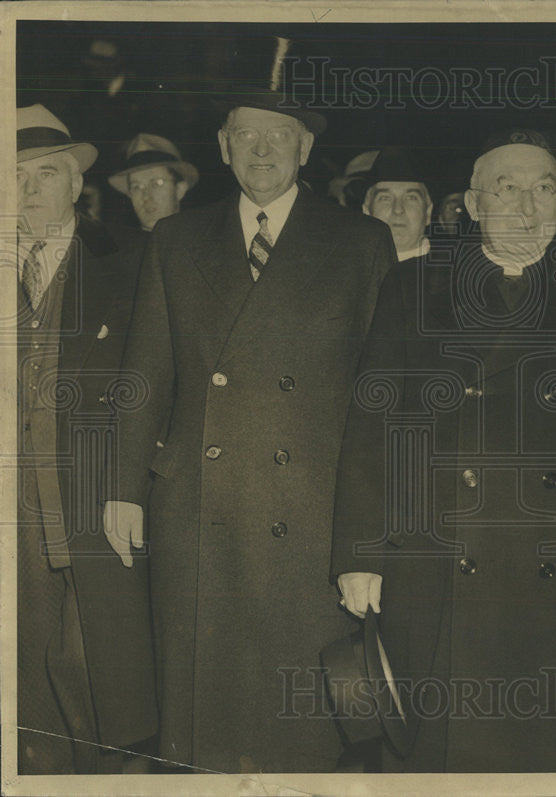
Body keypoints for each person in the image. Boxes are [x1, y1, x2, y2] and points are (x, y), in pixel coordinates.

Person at [101, 56, 396, 771]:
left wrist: (365, 543)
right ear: (224, 147)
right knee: (204, 728)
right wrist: (122, 485)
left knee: (294, 726)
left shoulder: (360, 242)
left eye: (279, 135)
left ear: (305, 148)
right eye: (246, 136)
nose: (262, 150)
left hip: (311, 513)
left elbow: (380, 398)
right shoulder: (176, 240)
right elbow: (145, 372)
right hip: (198, 510)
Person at [332, 131, 556, 772]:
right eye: (508, 189)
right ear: (473, 206)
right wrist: (360, 554)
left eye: (545, 189)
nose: (528, 205)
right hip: (438, 561)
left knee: (547, 759)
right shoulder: (414, 286)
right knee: (435, 759)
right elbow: (372, 422)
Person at [15, 104, 157, 774]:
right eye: (12, 176)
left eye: (46, 173)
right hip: (15, 514)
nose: (28, 189)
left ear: (77, 185)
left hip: (93, 503)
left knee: (98, 673)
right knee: (27, 683)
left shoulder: (127, 266)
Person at [108, 133, 199, 232]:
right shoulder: (121, 246)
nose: (146, 197)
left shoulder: (203, 242)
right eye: (136, 187)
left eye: (157, 183)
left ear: (179, 190)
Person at [360, 147, 433, 261]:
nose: (398, 210)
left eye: (411, 198)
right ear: (366, 211)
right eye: (385, 198)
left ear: (428, 212)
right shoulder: (342, 270)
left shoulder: (457, 273)